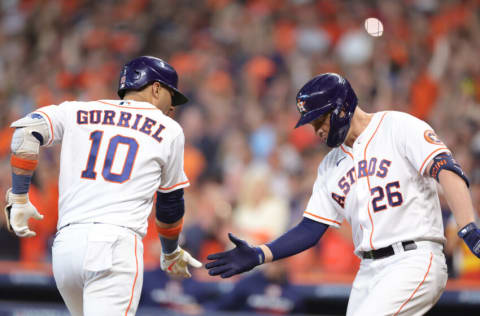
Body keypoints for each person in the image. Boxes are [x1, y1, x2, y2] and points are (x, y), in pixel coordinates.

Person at [206, 73, 480, 315]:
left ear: (341, 108)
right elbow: (310, 229)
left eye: (319, 120)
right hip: (369, 270)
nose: (316, 131)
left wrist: (467, 227)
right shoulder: (329, 166)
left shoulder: (398, 126)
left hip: (413, 258)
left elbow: (446, 170)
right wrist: (260, 254)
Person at [3, 56, 202, 315]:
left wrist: (19, 196)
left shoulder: (77, 111)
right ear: (155, 88)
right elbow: (170, 204)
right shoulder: (169, 129)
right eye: (171, 97)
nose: (172, 107)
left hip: (65, 250)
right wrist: (171, 251)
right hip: (115, 247)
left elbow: (26, 132)